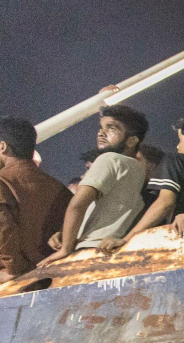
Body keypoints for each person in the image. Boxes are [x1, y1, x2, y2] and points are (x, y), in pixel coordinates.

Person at [39, 104, 150, 265]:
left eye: (111, 128)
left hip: (88, 251)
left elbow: (78, 204)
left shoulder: (109, 159)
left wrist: (66, 249)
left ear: (132, 140)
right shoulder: (138, 169)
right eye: (101, 127)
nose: (101, 132)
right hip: (113, 251)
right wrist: (66, 233)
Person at [99, 113, 184, 253]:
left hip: (177, 245)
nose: (177, 146)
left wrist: (126, 239)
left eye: (180, 140)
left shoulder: (176, 161)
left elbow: (165, 203)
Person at [0, 117, 71, 280]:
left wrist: (13, 269)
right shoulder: (60, 189)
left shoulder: (3, 181)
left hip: (9, 277)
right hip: (48, 274)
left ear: (3, 147)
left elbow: (4, 230)